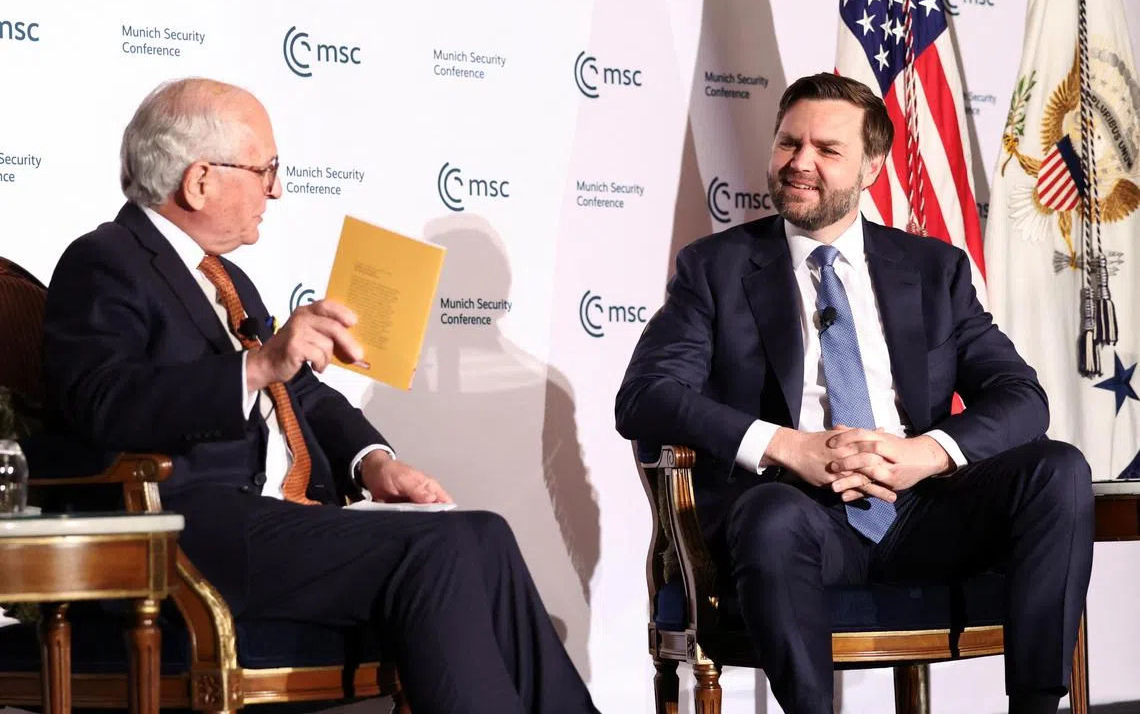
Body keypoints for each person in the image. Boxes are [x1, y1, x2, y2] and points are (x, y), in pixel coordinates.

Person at [41, 77, 600, 714]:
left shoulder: (226, 278)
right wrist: (256, 365)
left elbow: (300, 390)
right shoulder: (104, 260)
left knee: (484, 535)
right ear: (199, 180)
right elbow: (103, 401)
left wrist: (374, 462)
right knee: (439, 549)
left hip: (277, 521)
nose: (276, 189)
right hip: (191, 528)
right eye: (265, 169)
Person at [615, 73, 1094, 714]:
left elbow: (1020, 396)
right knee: (770, 515)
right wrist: (789, 446)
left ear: (872, 166)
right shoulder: (716, 268)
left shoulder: (933, 270)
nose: (799, 163)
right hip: (797, 517)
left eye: (826, 150)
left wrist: (925, 453)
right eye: (789, 143)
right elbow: (645, 396)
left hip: (922, 512)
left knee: (1057, 469)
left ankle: (1036, 706)